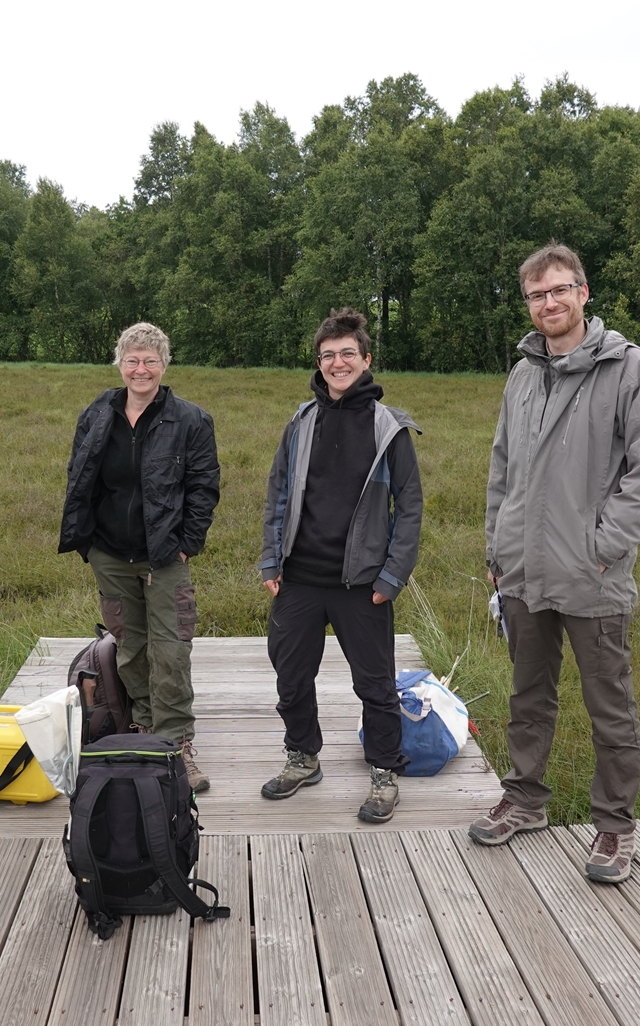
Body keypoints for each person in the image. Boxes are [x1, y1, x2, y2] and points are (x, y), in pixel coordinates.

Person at [468, 242, 640, 884]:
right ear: (528, 305)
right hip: (524, 573)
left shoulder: (628, 370)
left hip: (593, 577)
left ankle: (614, 828)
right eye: (537, 295)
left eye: (560, 290)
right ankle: (525, 801)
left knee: (608, 705)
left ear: (583, 294)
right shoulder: (523, 375)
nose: (549, 303)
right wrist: (498, 549)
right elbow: (502, 469)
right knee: (528, 696)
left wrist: (602, 548)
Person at [258, 309, 423, 823]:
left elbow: (410, 507)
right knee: (290, 674)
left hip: (363, 584)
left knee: (374, 684)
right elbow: (278, 494)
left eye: (348, 353)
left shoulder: (388, 427)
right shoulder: (301, 421)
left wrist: (392, 577)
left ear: (366, 359)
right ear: (319, 362)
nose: (338, 362)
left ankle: (383, 770)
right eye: (328, 355)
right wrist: (271, 560)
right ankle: (303, 757)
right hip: (300, 577)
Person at [58, 323, 220, 791]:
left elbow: (204, 487)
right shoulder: (98, 413)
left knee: (170, 650)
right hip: (109, 553)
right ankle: (146, 727)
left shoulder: (190, 420)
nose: (141, 368)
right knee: (130, 647)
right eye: (132, 359)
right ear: (120, 364)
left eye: (150, 360)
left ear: (164, 365)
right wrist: (88, 543)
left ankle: (176, 745)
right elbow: (79, 475)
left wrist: (185, 543)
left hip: (165, 555)